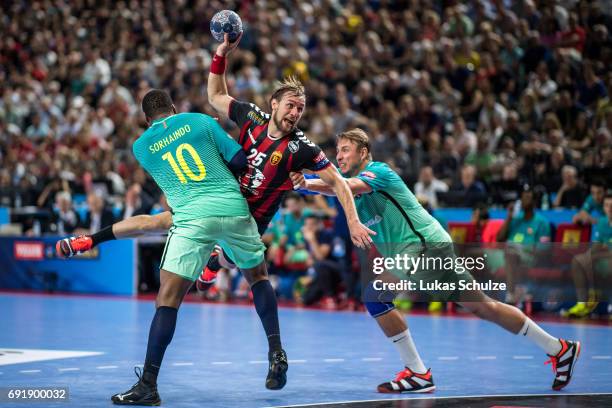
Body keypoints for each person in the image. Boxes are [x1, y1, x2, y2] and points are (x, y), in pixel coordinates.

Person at [291, 128, 580, 393]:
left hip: (423, 247)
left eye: (345, 150)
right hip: (431, 246)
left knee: (375, 295)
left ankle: (418, 374)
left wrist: (312, 177)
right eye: (337, 151)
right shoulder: (350, 186)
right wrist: (306, 183)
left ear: (363, 152)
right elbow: (334, 188)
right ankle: (559, 349)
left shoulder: (378, 172)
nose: (338, 156)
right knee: (485, 307)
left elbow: (343, 186)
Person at [92, 89, 287, 405]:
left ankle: (149, 385)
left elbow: (172, 183)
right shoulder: (199, 120)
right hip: (232, 208)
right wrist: (212, 135)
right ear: (173, 107)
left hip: (192, 217)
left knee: (167, 299)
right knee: (259, 278)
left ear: (146, 118)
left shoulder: (140, 147)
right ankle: (276, 350)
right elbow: (239, 161)